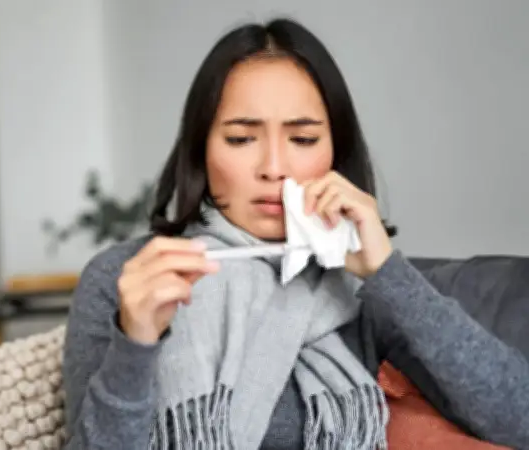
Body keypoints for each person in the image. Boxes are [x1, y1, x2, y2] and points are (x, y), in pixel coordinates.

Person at [62, 18, 529, 450]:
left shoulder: (356, 287)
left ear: (334, 155)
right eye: (241, 139)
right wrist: (135, 342)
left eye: (302, 140)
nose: (274, 168)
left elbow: (517, 417)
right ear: (202, 151)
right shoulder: (126, 277)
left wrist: (389, 272)